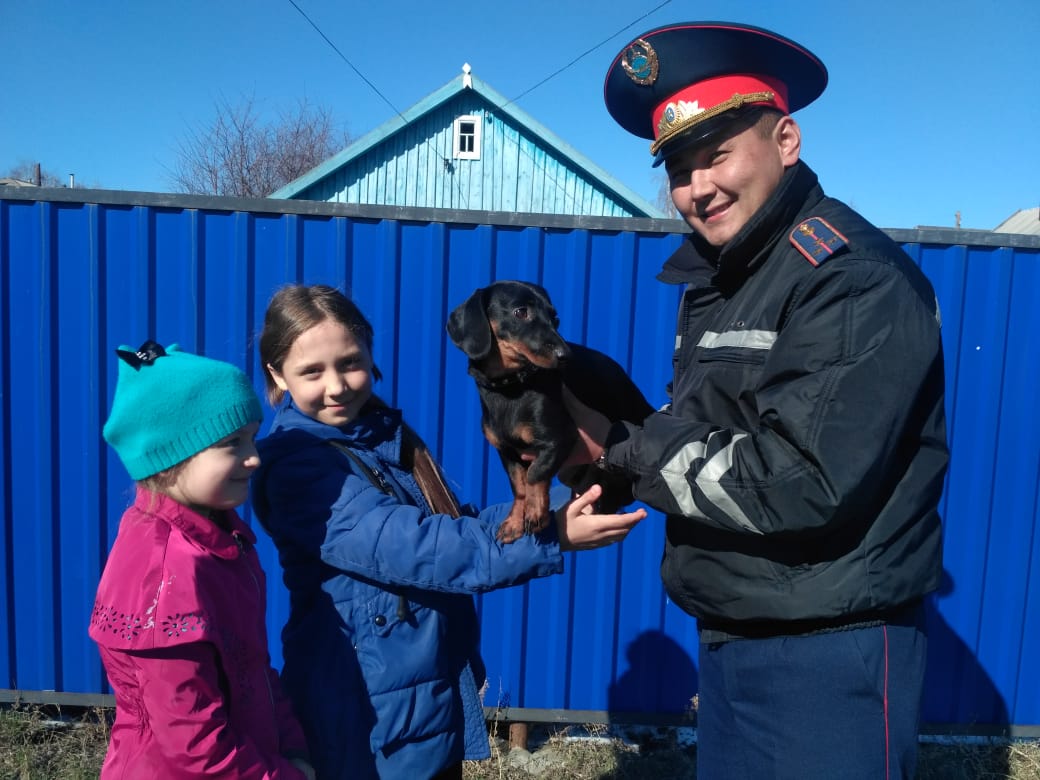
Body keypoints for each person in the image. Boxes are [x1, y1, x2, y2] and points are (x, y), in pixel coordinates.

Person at [563, 22, 948, 779]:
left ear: (786, 139)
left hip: (827, 653)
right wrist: (602, 466)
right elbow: (713, 435)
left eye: (716, 156)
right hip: (739, 635)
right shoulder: (729, 275)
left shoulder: (847, 278)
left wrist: (624, 447)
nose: (697, 187)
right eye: (678, 169)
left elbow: (800, 478)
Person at [250, 284, 646, 780]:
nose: (337, 386)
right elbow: (416, 547)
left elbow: (451, 527)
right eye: (312, 371)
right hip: (362, 713)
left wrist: (576, 500)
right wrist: (549, 536)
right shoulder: (299, 465)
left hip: (421, 700)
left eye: (349, 362)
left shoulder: (380, 438)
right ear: (276, 375)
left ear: (370, 354)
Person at [89, 341, 315, 779]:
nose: (254, 457)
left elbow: (253, 663)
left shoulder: (219, 539)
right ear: (172, 455)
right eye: (232, 442)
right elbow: (192, 742)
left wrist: (291, 747)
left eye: (252, 436)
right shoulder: (166, 572)